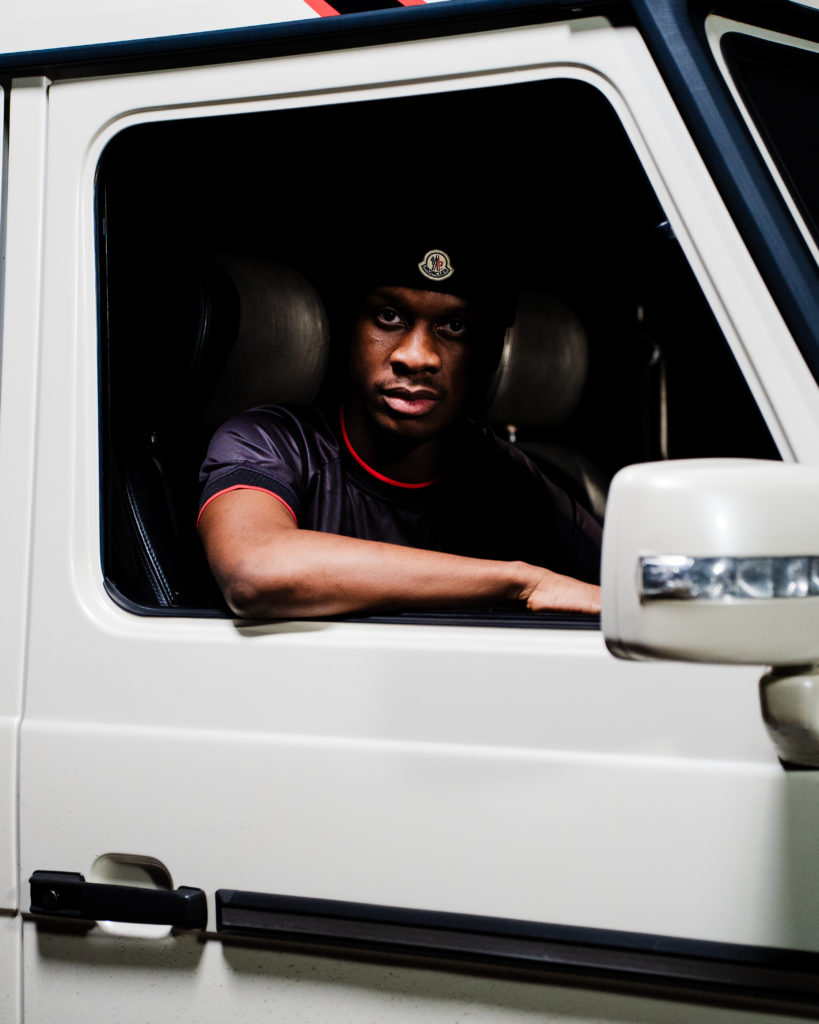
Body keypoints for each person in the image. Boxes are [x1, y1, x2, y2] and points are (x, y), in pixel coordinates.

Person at [197, 240, 602, 619]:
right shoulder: (270, 442)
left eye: (455, 326)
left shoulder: (503, 476)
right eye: (389, 317)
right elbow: (254, 571)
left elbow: (623, 575)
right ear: (349, 329)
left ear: (489, 354)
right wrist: (522, 583)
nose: (416, 356)